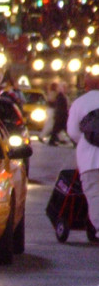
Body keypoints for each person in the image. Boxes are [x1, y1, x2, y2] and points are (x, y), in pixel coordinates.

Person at [66, 74, 99, 237]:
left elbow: (73, 131)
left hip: (90, 160)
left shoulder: (80, 103)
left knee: (95, 195)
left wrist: (86, 141)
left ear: (86, 86)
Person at [46, 81, 69, 146]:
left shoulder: (60, 96)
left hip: (60, 115)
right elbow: (61, 107)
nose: (65, 89)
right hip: (61, 115)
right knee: (65, 129)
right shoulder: (60, 96)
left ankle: (52, 140)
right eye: (64, 88)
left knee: (56, 129)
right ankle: (74, 142)